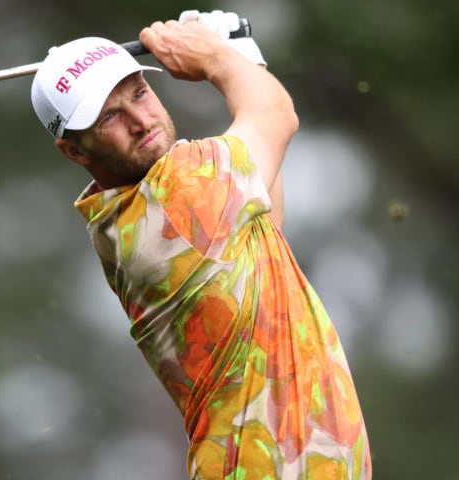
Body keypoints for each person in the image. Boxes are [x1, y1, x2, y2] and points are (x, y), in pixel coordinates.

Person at [30, 10, 372, 479]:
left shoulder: (126, 219)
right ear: (74, 150)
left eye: (140, 93)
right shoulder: (180, 193)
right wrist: (216, 55)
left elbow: (266, 221)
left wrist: (241, 55)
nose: (139, 119)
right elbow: (276, 115)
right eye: (109, 115)